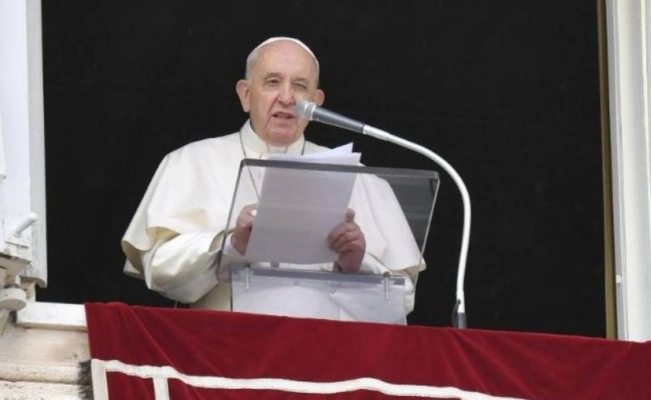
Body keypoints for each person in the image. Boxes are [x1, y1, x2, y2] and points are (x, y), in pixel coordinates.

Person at [121, 37, 424, 318]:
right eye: (273, 82)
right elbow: (158, 270)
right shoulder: (190, 162)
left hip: (327, 354)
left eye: (300, 86)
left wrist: (357, 265)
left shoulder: (362, 179)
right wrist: (231, 245)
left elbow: (402, 301)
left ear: (316, 101)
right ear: (245, 94)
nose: (287, 97)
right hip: (225, 350)